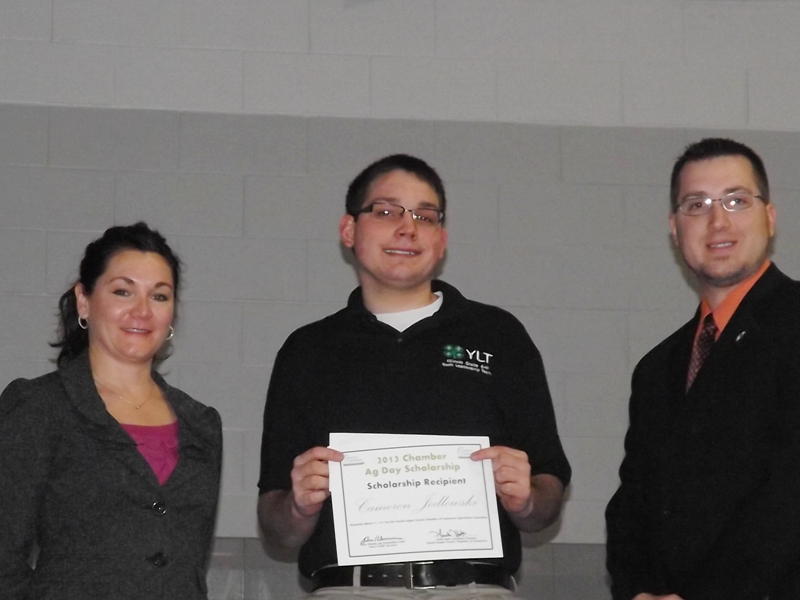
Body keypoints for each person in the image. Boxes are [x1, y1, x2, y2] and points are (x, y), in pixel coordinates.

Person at [258, 154, 571, 598]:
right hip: (350, 590)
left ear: (441, 240)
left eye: (425, 216)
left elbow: (548, 491)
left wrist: (527, 499)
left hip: (475, 590)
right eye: (386, 212)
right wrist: (297, 507)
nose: (408, 228)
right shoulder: (306, 351)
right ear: (349, 231)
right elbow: (276, 528)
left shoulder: (500, 336)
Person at [606, 138, 800, 600]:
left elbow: (789, 493)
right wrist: (638, 591)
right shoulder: (657, 369)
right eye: (697, 205)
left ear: (769, 217)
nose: (718, 221)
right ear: (675, 229)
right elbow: (634, 503)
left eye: (736, 201)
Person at [0, 222, 222, 600]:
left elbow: (189, 566)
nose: (142, 311)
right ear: (84, 300)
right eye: (123, 291)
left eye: (159, 296)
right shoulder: (38, 407)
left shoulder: (201, 423)